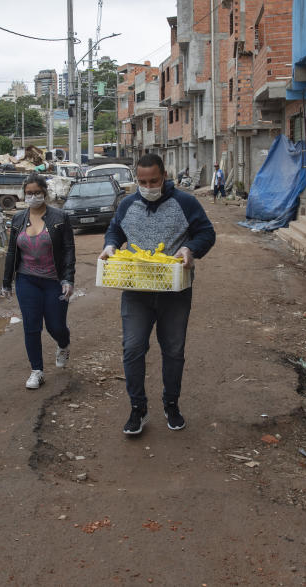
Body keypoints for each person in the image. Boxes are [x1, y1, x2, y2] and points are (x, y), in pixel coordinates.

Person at [100, 153, 216, 435]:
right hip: (136, 290)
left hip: (174, 290)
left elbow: (206, 233)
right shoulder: (127, 204)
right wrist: (111, 245)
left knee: (174, 350)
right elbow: (115, 230)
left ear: (164, 176)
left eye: (153, 181)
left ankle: (171, 404)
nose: (148, 186)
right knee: (133, 348)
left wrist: (190, 249)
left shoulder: (185, 202)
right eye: (142, 181)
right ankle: (137, 408)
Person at [3, 174, 76, 389]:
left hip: (54, 280)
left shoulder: (59, 217)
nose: (33, 196)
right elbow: (11, 252)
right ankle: (37, 371)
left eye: (37, 192)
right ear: (23, 194)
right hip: (27, 280)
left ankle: (63, 344)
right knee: (31, 326)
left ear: (44, 192)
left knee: (56, 326)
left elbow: (69, 250)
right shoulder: (18, 219)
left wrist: (68, 279)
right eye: (29, 193)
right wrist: (6, 281)